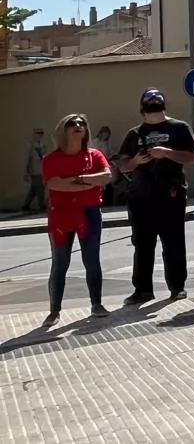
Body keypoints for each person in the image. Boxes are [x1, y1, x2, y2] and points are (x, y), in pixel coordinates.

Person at [117, 90, 194, 303]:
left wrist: (167, 152)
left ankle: (177, 286)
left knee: (173, 242)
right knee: (143, 244)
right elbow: (122, 163)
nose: (154, 109)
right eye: (150, 106)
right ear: (143, 109)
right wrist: (136, 161)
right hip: (141, 195)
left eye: (158, 105)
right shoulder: (135, 133)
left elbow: (191, 156)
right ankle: (142, 289)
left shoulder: (179, 128)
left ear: (164, 106)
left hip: (171, 193)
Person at [41, 114, 113, 325]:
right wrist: (87, 182)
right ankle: (54, 311)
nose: (78, 126)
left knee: (92, 260)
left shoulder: (95, 155)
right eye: (72, 123)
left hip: (90, 211)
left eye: (82, 123)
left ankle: (96, 304)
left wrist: (77, 179)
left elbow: (106, 177)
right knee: (60, 262)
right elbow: (55, 184)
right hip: (62, 214)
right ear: (63, 130)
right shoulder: (51, 159)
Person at [93, 126, 120, 206]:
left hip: (107, 163)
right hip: (98, 164)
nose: (106, 136)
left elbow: (110, 152)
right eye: (105, 134)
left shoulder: (107, 143)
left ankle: (109, 199)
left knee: (111, 178)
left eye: (107, 134)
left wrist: (112, 157)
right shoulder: (95, 142)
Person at [21, 128, 46, 212]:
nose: (40, 135)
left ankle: (26, 205)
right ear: (34, 134)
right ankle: (42, 205)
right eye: (38, 133)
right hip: (34, 171)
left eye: (41, 133)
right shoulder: (30, 145)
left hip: (41, 170)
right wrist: (26, 172)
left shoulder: (42, 145)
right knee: (40, 188)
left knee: (34, 189)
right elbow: (26, 159)